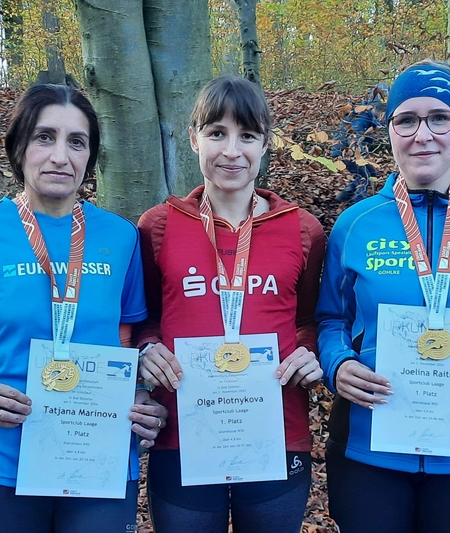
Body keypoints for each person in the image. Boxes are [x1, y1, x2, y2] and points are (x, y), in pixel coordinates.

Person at [0, 84, 167, 533]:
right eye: (44, 137)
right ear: (19, 147)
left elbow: (125, 338)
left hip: (98, 451)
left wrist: (137, 393)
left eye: (77, 142)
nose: (60, 156)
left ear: (90, 157)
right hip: (0, 456)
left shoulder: (121, 236)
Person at [315, 60, 450, 533]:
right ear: (390, 131)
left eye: (439, 118)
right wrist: (338, 363)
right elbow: (331, 319)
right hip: (369, 446)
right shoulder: (355, 223)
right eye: (406, 120)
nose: (423, 135)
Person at [135, 75, 326, 533]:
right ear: (194, 138)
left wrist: (309, 351)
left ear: (266, 143)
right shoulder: (158, 226)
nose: (232, 151)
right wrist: (146, 349)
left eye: (248, 135)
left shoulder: (303, 229)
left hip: (276, 430)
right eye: (217, 133)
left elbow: (309, 320)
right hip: (183, 433)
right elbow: (145, 319)